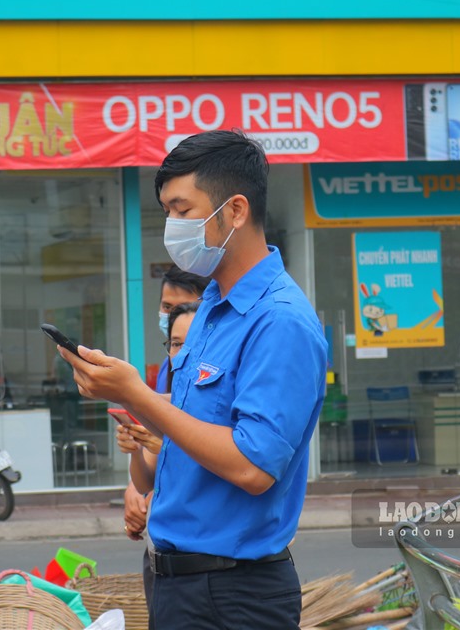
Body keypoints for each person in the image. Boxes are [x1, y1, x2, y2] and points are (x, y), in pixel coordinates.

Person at [59, 130, 327, 628]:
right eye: (166, 211)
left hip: (233, 595)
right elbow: (185, 432)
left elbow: (253, 466)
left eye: (183, 210)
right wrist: (136, 421)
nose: (172, 226)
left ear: (236, 210)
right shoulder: (209, 308)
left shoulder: (280, 321)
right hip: (176, 583)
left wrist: (136, 392)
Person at [119, 301, 199, 626]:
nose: (179, 353)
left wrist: (163, 445)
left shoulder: (223, 403)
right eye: (175, 343)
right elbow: (144, 481)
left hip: (208, 568)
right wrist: (136, 449)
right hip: (164, 562)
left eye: (188, 344)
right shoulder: (166, 394)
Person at [152, 266, 211, 393]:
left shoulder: (212, 368)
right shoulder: (167, 364)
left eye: (184, 307)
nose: (173, 315)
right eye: (167, 306)